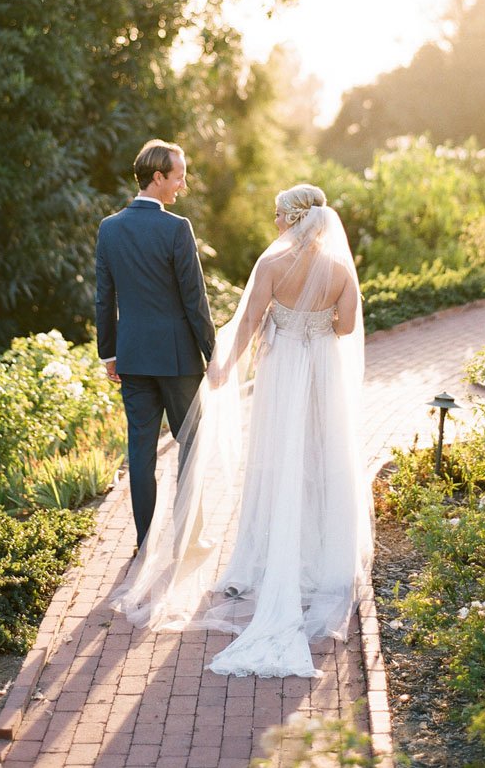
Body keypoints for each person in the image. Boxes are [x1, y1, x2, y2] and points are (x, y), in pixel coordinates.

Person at [112, 184, 373, 679]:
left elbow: (249, 322)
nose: (273, 221)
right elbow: (344, 328)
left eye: (278, 214)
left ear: (292, 218)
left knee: (275, 459)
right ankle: (321, 561)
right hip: (321, 373)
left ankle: (261, 559)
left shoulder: (273, 265)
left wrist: (224, 368)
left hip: (281, 375)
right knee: (320, 460)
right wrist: (311, 323)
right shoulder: (341, 269)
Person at [95, 139, 216, 552]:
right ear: (158, 177)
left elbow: (103, 297)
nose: (182, 184)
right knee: (193, 445)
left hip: (132, 358)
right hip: (179, 359)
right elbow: (194, 299)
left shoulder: (109, 228)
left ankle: (145, 542)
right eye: (178, 176)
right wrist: (213, 354)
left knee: (141, 451)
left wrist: (108, 354)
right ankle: (189, 537)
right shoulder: (176, 228)